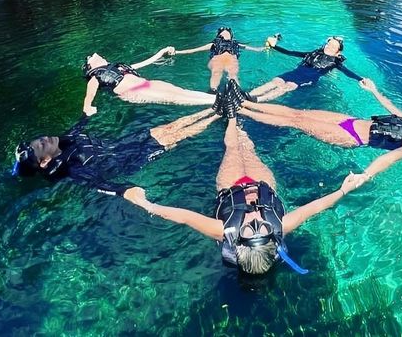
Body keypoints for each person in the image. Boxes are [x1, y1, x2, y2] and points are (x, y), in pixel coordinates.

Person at [125, 117, 363, 275]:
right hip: (262, 183)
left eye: (250, 229)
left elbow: (184, 217)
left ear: (238, 241)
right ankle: (240, 125)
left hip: (231, 185)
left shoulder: (223, 231)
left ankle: (230, 117)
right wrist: (344, 189)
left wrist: (147, 204)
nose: (256, 220)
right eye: (264, 229)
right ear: (273, 239)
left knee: (232, 149)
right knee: (248, 148)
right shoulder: (280, 226)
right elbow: (315, 207)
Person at [236, 78, 402, 183]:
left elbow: (391, 157)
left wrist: (366, 175)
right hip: (351, 121)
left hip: (349, 136)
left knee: (296, 122)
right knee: (298, 113)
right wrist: (374, 91)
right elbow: (393, 109)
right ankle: (246, 102)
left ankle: (242, 112)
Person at [12, 108, 220, 204]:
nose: (45, 138)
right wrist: (124, 191)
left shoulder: (65, 139)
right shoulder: (71, 168)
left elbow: (79, 124)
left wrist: (87, 112)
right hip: (134, 156)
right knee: (178, 135)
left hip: (125, 142)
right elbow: (96, 183)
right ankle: (220, 114)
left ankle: (214, 107)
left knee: (170, 126)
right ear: (45, 160)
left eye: (41, 138)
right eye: (42, 144)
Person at [82, 50, 216, 116]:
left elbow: (146, 62)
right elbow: (89, 95)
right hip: (134, 92)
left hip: (148, 84)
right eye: (90, 58)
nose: (93, 55)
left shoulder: (119, 67)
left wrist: (162, 52)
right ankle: (219, 102)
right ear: (90, 66)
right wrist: (88, 108)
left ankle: (216, 98)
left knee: (181, 92)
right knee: (174, 98)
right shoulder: (95, 77)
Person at [249, 35, 363, 102]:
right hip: (295, 73)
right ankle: (248, 95)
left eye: (333, 47)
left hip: (308, 79)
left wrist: (360, 79)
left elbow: (347, 72)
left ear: (338, 52)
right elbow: (291, 53)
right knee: (275, 81)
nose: (329, 47)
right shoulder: (312, 54)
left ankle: (257, 100)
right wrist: (275, 47)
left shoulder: (335, 62)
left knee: (287, 86)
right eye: (328, 44)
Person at [168, 27, 267, 92]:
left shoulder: (227, 43)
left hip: (222, 60)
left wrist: (259, 49)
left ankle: (215, 92)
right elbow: (193, 50)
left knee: (222, 74)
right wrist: (176, 52)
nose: (225, 32)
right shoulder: (218, 44)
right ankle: (233, 94)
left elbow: (193, 50)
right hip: (226, 60)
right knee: (228, 75)